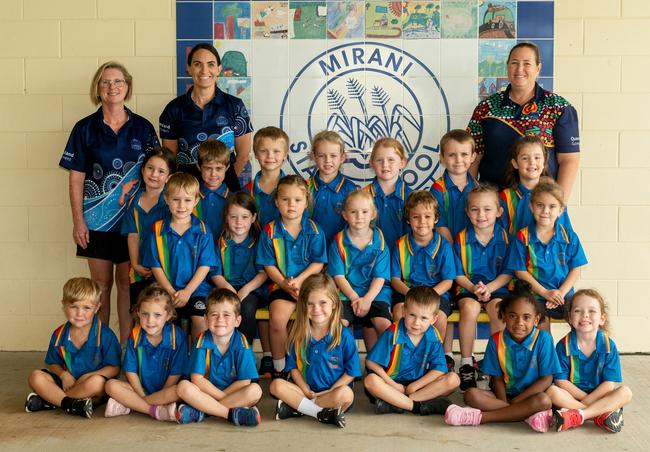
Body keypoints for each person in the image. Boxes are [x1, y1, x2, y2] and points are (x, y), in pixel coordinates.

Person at [59, 61, 159, 343]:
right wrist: (78, 220)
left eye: (118, 82)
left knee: (127, 284)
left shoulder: (143, 128)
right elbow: (76, 178)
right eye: (105, 82)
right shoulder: (84, 129)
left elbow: (157, 172)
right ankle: (101, 346)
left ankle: (127, 347)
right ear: (97, 89)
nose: (112, 87)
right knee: (100, 286)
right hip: (96, 221)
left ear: (127, 87)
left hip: (134, 223)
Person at [444, 281, 560, 433]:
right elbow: (496, 379)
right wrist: (505, 401)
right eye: (513, 316)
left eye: (526, 317)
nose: (519, 323)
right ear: (504, 316)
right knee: (471, 395)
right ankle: (525, 414)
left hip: (533, 395)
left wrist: (517, 401)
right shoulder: (496, 340)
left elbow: (546, 379)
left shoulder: (543, 339)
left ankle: (481, 418)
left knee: (544, 400)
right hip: (506, 395)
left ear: (536, 320)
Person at [468, 42, 580, 196]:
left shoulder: (559, 107)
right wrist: (472, 200)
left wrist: (559, 204)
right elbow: (473, 157)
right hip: (493, 207)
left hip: (540, 206)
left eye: (527, 63)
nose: (520, 69)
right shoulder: (486, 107)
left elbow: (569, 160)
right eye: (514, 63)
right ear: (507, 67)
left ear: (538, 68)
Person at [256, 175, 328, 379]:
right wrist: (285, 285)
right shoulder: (269, 231)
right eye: (285, 199)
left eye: (297, 200)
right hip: (281, 286)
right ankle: (280, 368)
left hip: (310, 286)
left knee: (319, 317)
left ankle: (313, 366)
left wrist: (300, 281)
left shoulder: (314, 230)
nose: (291, 205)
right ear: (277, 202)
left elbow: (318, 263)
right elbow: (268, 264)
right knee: (277, 319)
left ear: (306, 203)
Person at [269, 274, 361, 428]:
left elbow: (351, 373)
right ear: (303, 305)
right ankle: (321, 413)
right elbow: (292, 368)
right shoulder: (298, 333)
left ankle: (298, 408)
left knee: (346, 394)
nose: (316, 309)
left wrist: (331, 390)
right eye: (310, 304)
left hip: (333, 393)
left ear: (334, 303)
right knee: (276, 385)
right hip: (305, 390)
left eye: (322, 302)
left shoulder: (343, 336)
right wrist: (305, 390)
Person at [159, 43, 253, 190]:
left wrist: (221, 183)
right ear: (189, 68)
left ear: (219, 69)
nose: (204, 70)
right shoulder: (173, 109)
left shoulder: (235, 106)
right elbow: (170, 159)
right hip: (187, 193)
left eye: (211, 64)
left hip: (225, 188)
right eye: (197, 64)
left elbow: (243, 154)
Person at [25, 278, 121, 418]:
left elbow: (114, 368)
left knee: (97, 383)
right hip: (67, 382)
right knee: (35, 377)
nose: (79, 313)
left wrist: (89, 376)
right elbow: (53, 363)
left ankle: (52, 400)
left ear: (97, 307)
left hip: (91, 386)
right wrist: (63, 375)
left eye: (86, 308)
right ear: (63, 305)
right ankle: (72, 404)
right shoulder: (59, 334)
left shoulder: (105, 335)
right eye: (74, 307)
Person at [505, 178, 587, 331]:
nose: (545, 211)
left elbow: (576, 268)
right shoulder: (522, 237)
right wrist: (545, 292)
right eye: (540, 205)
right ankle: (546, 355)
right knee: (541, 326)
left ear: (561, 210)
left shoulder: (569, 237)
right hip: (535, 296)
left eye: (552, 206)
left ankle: (577, 353)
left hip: (563, 295)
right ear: (531, 206)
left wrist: (560, 293)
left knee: (582, 317)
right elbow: (520, 271)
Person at [142, 173, 218, 339]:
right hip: (164, 290)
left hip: (196, 290)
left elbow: (205, 266)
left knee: (202, 323)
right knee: (158, 321)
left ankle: (195, 362)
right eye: (176, 199)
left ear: (196, 201)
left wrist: (187, 292)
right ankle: (169, 361)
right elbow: (155, 266)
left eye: (187, 200)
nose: (181, 205)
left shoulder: (203, 231)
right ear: (167, 199)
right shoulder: (157, 230)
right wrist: (170, 291)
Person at [364, 286, 459, 416]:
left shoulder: (434, 336)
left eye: (424, 318)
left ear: (433, 319)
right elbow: (371, 363)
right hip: (392, 384)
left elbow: (439, 369)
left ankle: (396, 403)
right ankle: (417, 406)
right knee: (371, 381)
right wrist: (393, 385)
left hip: (419, 386)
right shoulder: (393, 332)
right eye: (412, 315)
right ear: (403, 311)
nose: (416, 323)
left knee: (453, 379)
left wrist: (414, 386)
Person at [548, 289, 632, 433]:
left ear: (602, 319)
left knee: (626, 392)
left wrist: (585, 403)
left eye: (592, 311)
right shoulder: (563, 346)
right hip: (572, 396)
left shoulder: (608, 346)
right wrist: (585, 400)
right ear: (569, 317)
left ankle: (579, 415)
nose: (585, 315)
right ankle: (601, 415)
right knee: (551, 391)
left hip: (599, 395)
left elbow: (608, 384)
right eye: (578, 311)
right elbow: (561, 381)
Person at [454, 184, 512, 391]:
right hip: (468, 288)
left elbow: (508, 273)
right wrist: (473, 288)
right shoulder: (460, 239)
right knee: (469, 309)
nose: (481, 215)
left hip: (497, 288)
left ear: (499, 212)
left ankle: (493, 364)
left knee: (498, 310)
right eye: (475, 209)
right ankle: (467, 363)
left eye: (487, 209)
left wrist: (490, 288)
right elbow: (457, 273)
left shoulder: (506, 238)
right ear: (467, 212)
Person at [175, 289, 262, 426]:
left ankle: (201, 411)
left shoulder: (242, 343)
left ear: (237, 321)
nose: (220, 319)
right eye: (214, 314)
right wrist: (223, 397)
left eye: (226, 315)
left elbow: (245, 382)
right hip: (206, 393)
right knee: (183, 387)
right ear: (206, 319)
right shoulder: (201, 341)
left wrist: (216, 400)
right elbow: (197, 379)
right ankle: (230, 414)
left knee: (255, 391)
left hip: (232, 393)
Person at [104, 284, 188, 421]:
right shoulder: (135, 335)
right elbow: (130, 371)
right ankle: (154, 410)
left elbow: (176, 373)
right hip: (140, 389)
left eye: (157, 315)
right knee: (110, 385)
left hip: (167, 390)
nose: (150, 321)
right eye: (145, 314)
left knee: (182, 390)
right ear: (138, 313)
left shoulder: (177, 336)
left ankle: (132, 405)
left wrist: (158, 396)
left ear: (168, 315)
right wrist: (142, 395)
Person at [210, 192, 272, 376]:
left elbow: (264, 273)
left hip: (252, 289)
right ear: (226, 218)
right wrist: (228, 290)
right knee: (217, 307)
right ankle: (219, 355)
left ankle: (244, 354)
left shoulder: (259, 240)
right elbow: (215, 272)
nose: (239, 222)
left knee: (246, 307)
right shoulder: (221, 241)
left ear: (253, 218)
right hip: (225, 287)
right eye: (233, 217)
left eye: (245, 217)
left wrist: (244, 290)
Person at [328, 189, 392, 351]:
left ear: (373, 214)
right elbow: (338, 276)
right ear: (344, 215)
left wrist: (367, 299)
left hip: (376, 293)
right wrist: (355, 298)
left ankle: (381, 366)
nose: (359, 216)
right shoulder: (338, 241)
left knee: (386, 327)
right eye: (353, 212)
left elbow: (380, 277)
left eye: (364, 211)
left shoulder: (380, 240)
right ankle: (346, 366)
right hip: (346, 292)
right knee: (338, 327)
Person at [390, 191, 456, 340]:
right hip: (407, 292)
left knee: (440, 318)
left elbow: (448, 281)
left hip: (436, 294)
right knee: (399, 312)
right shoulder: (400, 245)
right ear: (408, 220)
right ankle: (402, 354)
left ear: (436, 219)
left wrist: (428, 297)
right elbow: (395, 279)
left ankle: (434, 355)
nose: (422, 222)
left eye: (427, 216)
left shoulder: (444, 246)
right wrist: (412, 296)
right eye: (416, 217)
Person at [121, 147, 176, 310]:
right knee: (140, 313)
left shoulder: (171, 202)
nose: (154, 174)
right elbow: (133, 235)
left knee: (165, 315)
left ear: (168, 177)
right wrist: (135, 264)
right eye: (150, 168)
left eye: (161, 171)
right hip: (141, 271)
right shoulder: (133, 202)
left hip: (166, 270)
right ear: (143, 170)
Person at [500, 135, 572, 235]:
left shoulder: (555, 197)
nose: (532, 162)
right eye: (525, 158)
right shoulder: (505, 198)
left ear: (544, 162)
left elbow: (566, 236)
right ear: (515, 163)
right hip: (515, 250)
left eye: (537, 157)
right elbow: (499, 237)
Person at [307, 130, 358, 243]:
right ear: (313, 156)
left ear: (342, 157)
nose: (328, 160)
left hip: (340, 251)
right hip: (311, 251)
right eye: (321, 156)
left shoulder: (350, 189)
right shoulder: (304, 188)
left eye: (333, 155)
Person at [363, 137, 412, 251]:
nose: (385, 164)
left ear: (402, 163)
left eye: (391, 159)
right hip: (371, 262)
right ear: (371, 163)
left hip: (402, 261)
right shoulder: (363, 196)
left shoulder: (412, 197)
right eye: (379, 160)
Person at [430, 129, 478, 244]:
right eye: (452, 155)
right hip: (448, 251)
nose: (458, 160)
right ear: (442, 158)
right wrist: (455, 253)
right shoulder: (437, 189)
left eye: (464, 154)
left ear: (473, 157)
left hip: (472, 250)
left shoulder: (478, 189)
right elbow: (440, 226)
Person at [245, 127, 289, 227]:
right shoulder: (246, 191)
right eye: (263, 151)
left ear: (285, 154)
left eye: (276, 151)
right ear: (256, 154)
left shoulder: (294, 189)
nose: (270, 156)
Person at [194, 139, 232, 242]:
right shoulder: (190, 198)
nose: (213, 174)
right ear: (199, 167)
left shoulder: (234, 199)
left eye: (219, 168)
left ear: (227, 167)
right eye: (208, 168)